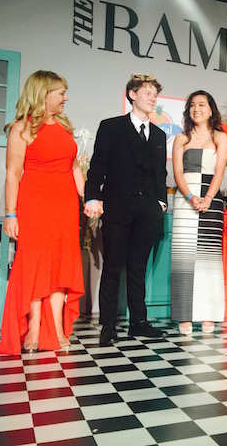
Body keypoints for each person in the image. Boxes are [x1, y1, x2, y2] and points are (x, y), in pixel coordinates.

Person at [0, 70, 85, 354]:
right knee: (34, 265)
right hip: (35, 204)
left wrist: (89, 197)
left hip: (65, 205)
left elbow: (74, 168)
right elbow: (12, 174)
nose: (66, 98)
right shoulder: (22, 128)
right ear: (44, 94)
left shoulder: (65, 126)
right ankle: (33, 327)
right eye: (61, 93)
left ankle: (56, 326)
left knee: (60, 265)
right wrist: (10, 214)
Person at [84, 73, 168, 346]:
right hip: (118, 206)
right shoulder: (111, 127)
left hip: (148, 209)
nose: (153, 98)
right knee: (112, 266)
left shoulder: (158, 134)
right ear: (132, 94)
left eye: (155, 94)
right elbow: (98, 165)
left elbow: (160, 173)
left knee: (138, 267)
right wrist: (92, 196)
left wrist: (160, 201)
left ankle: (138, 323)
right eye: (147, 93)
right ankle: (108, 326)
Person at [171, 90, 227, 334]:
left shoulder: (220, 138)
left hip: (211, 201)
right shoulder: (181, 139)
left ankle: (208, 314)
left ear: (211, 109)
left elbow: (219, 171)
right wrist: (190, 197)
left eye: (202, 105)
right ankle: (184, 315)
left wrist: (208, 198)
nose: (197, 109)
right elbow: (177, 173)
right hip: (185, 201)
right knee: (183, 260)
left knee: (208, 260)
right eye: (192, 105)